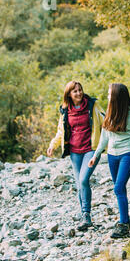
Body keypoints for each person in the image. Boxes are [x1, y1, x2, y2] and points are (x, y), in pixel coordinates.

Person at [88, 83, 130, 239]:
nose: (107, 96)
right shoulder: (108, 113)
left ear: (116, 97)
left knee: (118, 188)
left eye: (109, 94)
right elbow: (104, 137)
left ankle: (124, 224)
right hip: (112, 156)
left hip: (127, 154)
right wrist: (95, 156)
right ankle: (124, 218)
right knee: (120, 189)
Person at [47, 81, 105, 231]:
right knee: (79, 184)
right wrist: (52, 145)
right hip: (74, 151)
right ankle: (85, 217)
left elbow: (105, 121)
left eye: (80, 90)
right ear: (69, 94)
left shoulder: (92, 105)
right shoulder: (65, 110)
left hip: (91, 149)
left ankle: (86, 213)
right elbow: (61, 131)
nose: (79, 93)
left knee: (83, 179)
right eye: (75, 91)